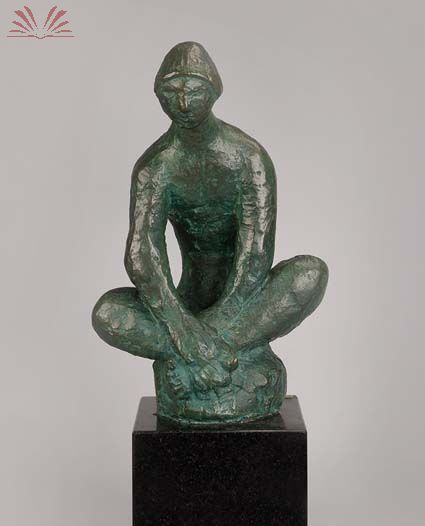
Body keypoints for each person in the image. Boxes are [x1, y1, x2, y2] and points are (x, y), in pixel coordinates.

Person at [92, 42, 328, 423]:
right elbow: (142, 256)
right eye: (171, 91)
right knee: (107, 313)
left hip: (246, 303)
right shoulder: (156, 167)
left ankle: (198, 360)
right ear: (158, 96)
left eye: (194, 89)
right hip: (185, 304)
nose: (184, 102)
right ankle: (224, 356)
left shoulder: (248, 158)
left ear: (214, 91)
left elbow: (256, 257)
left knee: (310, 274)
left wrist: (198, 339)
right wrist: (181, 325)